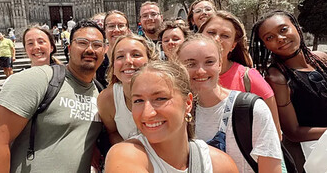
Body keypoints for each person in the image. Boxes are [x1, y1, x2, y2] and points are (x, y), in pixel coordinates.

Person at [0, 20, 106, 172]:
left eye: (97, 45)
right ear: (69, 48)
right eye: (82, 43)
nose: (90, 50)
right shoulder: (37, 78)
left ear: (105, 51)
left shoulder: (99, 93)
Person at [105, 61, 238, 173]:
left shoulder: (220, 165)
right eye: (138, 101)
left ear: (187, 103)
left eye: (160, 98)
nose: (147, 113)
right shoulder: (126, 156)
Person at [250, 10, 327, 171]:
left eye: (283, 29)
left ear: (297, 27)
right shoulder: (277, 77)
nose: (280, 38)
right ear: (265, 45)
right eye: (269, 37)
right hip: (316, 151)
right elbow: (293, 132)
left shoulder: (321, 60)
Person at [177, 34, 283, 173]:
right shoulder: (179, 112)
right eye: (191, 64)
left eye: (209, 62)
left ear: (220, 64)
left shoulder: (251, 110)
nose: (201, 71)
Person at [199, 11, 281, 139]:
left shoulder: (249, 79)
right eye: (211, 32)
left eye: (225, 35)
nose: (216, 39)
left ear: (233, 45)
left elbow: (274, 134)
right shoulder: (182, 77)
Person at [97, 34, 159, 144]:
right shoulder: (107, 99)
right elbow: (113, 132)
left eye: (136, 55)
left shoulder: (167, 92)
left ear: (150, 60)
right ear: (113, 66)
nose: (128, 61)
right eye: (120, 56)